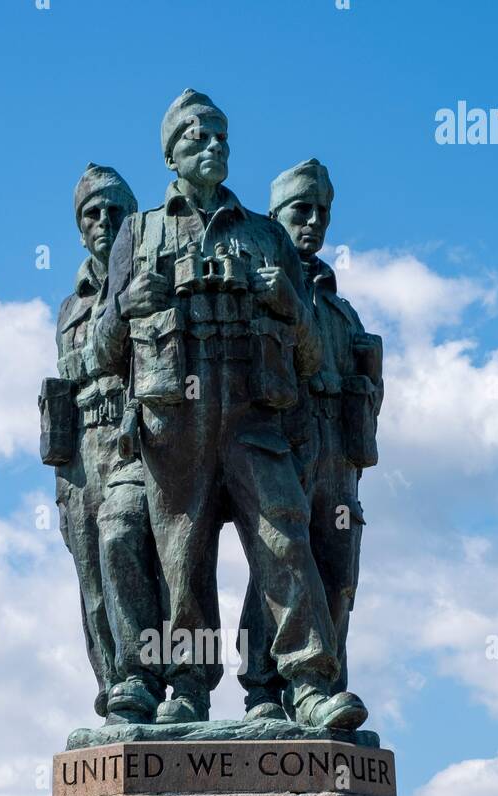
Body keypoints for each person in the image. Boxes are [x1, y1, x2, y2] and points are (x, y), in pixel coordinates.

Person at [94, 92, 368, 730]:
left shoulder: (265, 234)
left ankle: (305, 683)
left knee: (284, 535)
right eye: (196, 138)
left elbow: (307, 357)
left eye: (220, 136)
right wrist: (127, 304)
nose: (212, 146)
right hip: (174, 421)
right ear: (170, 154)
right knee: (181, 560)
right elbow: (105, 351)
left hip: (253, 415)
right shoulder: (139, 234)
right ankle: (186, 688)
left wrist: (290, 306)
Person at [239, 159, 383, 719]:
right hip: (282, 442)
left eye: (322, 212)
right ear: (275, 218)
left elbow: (366, 388)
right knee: (278, 568)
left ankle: (323, 691)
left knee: (338, 573)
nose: (314, 222)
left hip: (338, 457)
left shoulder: (342, 310)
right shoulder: (262, 292)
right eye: (302, 210)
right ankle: (265, 689)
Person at [39, 164, 165, 723]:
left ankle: (150, 678)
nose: (104, 221)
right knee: (92, 582)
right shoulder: (69, 307)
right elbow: (72, 369)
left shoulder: (151, 280)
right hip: (79, 454)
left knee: (133, 552)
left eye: (115, 211)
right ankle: (117, 693)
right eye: (92, 213)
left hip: (133, 438)